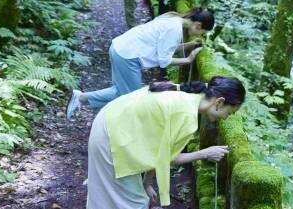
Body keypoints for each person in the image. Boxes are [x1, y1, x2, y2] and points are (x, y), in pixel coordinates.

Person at [86, 76, 246, 209]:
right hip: (110, 136)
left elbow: (159, 149)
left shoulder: (187, 95)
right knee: (134, 203)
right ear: (219, 102)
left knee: (115, 196)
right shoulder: (186, 115)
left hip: (111, 122)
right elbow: (168, 158)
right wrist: (205, 153)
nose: (226, 118)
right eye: (230, 112)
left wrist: (146, 183)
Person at [66, 8, 215, 119]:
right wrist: (187, 60)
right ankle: (108, 122)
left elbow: (163, 48)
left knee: (122, 92)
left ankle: (82, 98)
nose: (200, 35)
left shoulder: (173, 18)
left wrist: (188, 45)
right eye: (202, 33)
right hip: (127, 56)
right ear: (198, 25)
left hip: (122, 48)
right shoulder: (174, 30)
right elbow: (164, 61)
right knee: (131, 98)